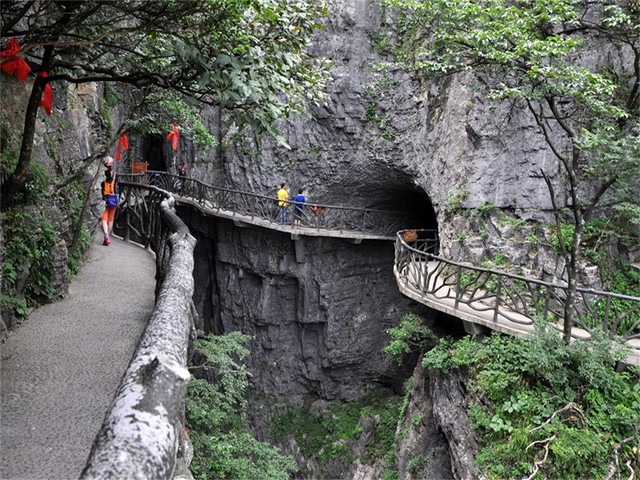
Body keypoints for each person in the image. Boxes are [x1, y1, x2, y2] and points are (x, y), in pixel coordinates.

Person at [100, 156, 118, 246]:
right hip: (113, 198)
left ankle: (106, 236)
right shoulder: (115, 174)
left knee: (104, 218)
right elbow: (116, 187)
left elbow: (102, 186)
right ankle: (106, 238)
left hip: (106, 198)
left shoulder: (102, 174)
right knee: (111, 219)